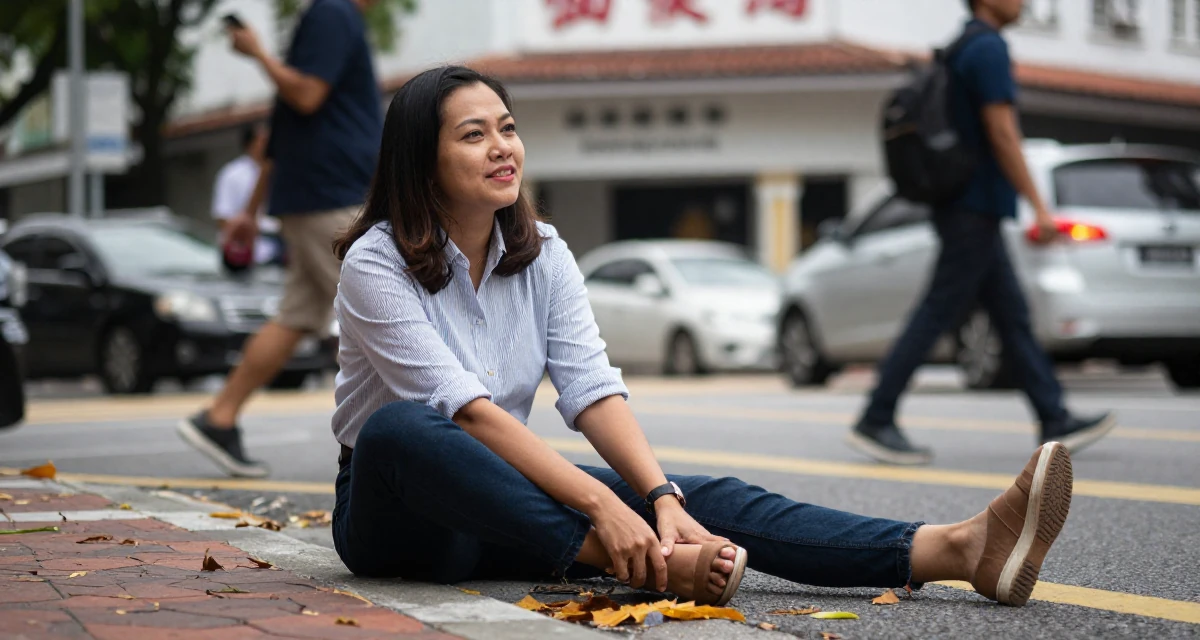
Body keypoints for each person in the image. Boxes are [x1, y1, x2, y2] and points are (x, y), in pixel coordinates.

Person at [328, 65, 1076, 609]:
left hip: (502, 507)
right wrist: (602, 507)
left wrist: (656, 495)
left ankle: (953, 549)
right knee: (401, 429)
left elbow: (589, 388)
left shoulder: (545, 253)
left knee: (699, 495)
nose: (503, 148)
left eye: (509, 128)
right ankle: (649, 564)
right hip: (399, 516)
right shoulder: (376, 261)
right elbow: (469, 413)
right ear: (421, 162)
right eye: (473, 135)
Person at [847, 0, 1115, 466]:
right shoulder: (987, 48)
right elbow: (1003, 132)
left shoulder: (958, 47)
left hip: (968, 207)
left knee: (1011, 314)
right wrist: (1039, 205)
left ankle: (1053, 415)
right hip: (973, 206)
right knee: (937, 310)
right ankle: (876, 415)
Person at [178, 0, 383, 478]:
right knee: (380, 309)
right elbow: (307, 96)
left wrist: (249, 211)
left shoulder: (322, 19)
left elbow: (285, 126)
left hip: (312, 195)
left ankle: (219, 417)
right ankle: (410, 437)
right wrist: (258, 54)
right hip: (330, 196)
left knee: (298, 315)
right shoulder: (335, 13)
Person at [211, 124, 284, 268]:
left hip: (281, 251)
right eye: (263, 140)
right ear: (250, 143)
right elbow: (222, 217)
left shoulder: (280, 171)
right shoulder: (232, 174)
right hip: (250, 254)